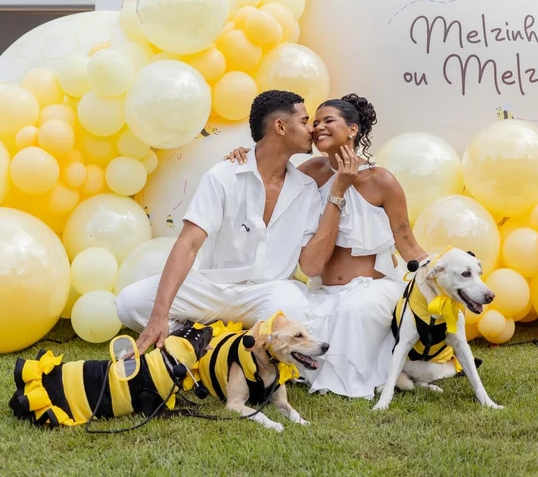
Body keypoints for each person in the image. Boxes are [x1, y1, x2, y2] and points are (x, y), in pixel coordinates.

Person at [116, 89, 358, 355]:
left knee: (296, 312)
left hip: (269, 292)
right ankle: (201, 342)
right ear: (280, 126)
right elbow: (188, 245)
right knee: (130, 303)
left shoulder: (307, 188)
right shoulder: (223, 176)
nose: (311, 130)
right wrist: (159, 315)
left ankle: (220, 345)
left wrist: (337, 194)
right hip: (213, 287)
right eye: (304, 121)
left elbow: (311, 266)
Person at [225, 94, 427, 399]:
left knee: (352, 311)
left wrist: (440, 269)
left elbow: (406, 240)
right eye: (314, 122)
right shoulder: (310, 172)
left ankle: (356, 379)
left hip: (372, 287)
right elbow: (269, 173)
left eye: (327, 120)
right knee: (299, 320)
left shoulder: (381, 180)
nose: (318, 127)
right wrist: (245, 155)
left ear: (353, 129)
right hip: (322, 290)